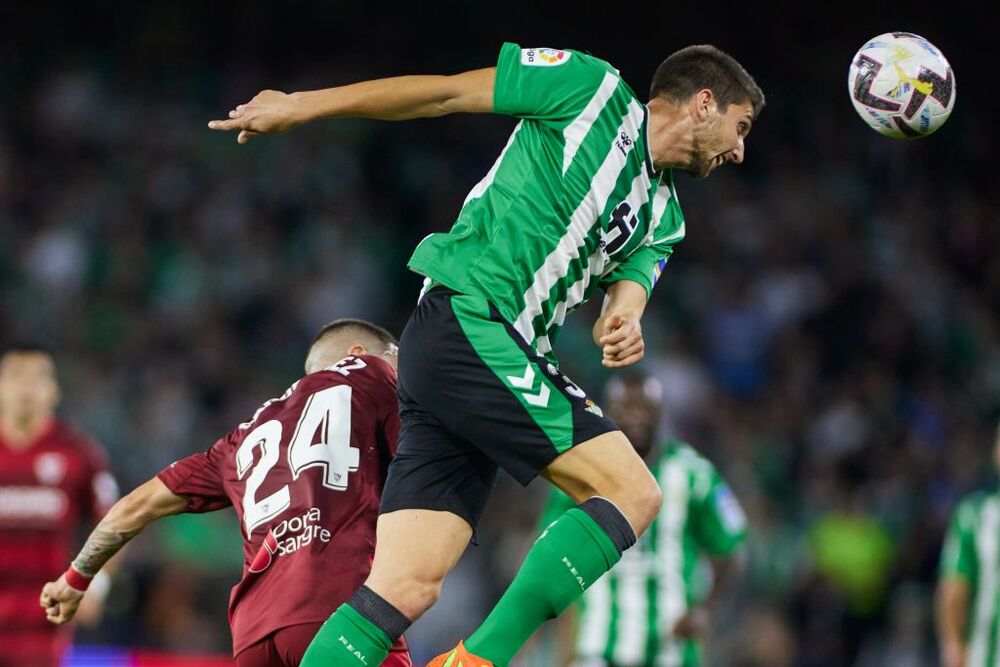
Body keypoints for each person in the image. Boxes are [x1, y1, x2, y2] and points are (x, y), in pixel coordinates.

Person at [209, 42, 764, 667]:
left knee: (404, 586)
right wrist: (304, 106)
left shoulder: (664, 215)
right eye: (741, 127)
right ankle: (480, 661)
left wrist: (624, 320)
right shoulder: (590, 89)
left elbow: (628, 294)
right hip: (471, 319)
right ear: (705, 103)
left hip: (467, 355)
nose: (740, 150)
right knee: (635, 492)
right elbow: (446, 91)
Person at [40, 320, 412, 667]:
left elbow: (137, 505)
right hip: (336, 611)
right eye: (396, 355)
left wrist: (75, 578)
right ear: (358, 353)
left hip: (253, 635)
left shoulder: (240, 439)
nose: (403, 367)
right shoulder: (373, 375)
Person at [540, 372, 747, 667]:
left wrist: (706, 609)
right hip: (598, 649)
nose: (636, 417)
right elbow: (552, 559)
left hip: (671, 650)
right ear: (607, 411)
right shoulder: (582, 472)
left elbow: (732, 549)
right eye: (627, 408)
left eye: (644, 408)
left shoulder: (693, 473)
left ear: (661, 413)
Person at [0, 343, 119, 667]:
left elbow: (117, 522)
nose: (26, 388)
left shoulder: (78, 454)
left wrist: (97, 584)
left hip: (43, 624)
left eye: (37, 378)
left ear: (54, 390)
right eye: (16, 377)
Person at [937, 423, 1000, 667]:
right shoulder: (972, 516)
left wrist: (953, 646)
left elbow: (954, 589)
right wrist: (953, 645)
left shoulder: (974, 515)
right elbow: (954, 589)